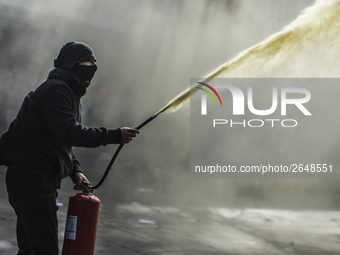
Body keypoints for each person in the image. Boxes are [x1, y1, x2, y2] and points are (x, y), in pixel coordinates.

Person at [0, 41, 140, 255]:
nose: (92, 66)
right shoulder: (57, 90)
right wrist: (114, 135)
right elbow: (69, 132)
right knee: (44, 250)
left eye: (94, 62)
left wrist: (76, 171)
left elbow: (62, 140)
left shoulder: (68, 92)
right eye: (88, 61)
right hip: (30, 180)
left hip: (34, 180)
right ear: (71, 63)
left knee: (31, 249)